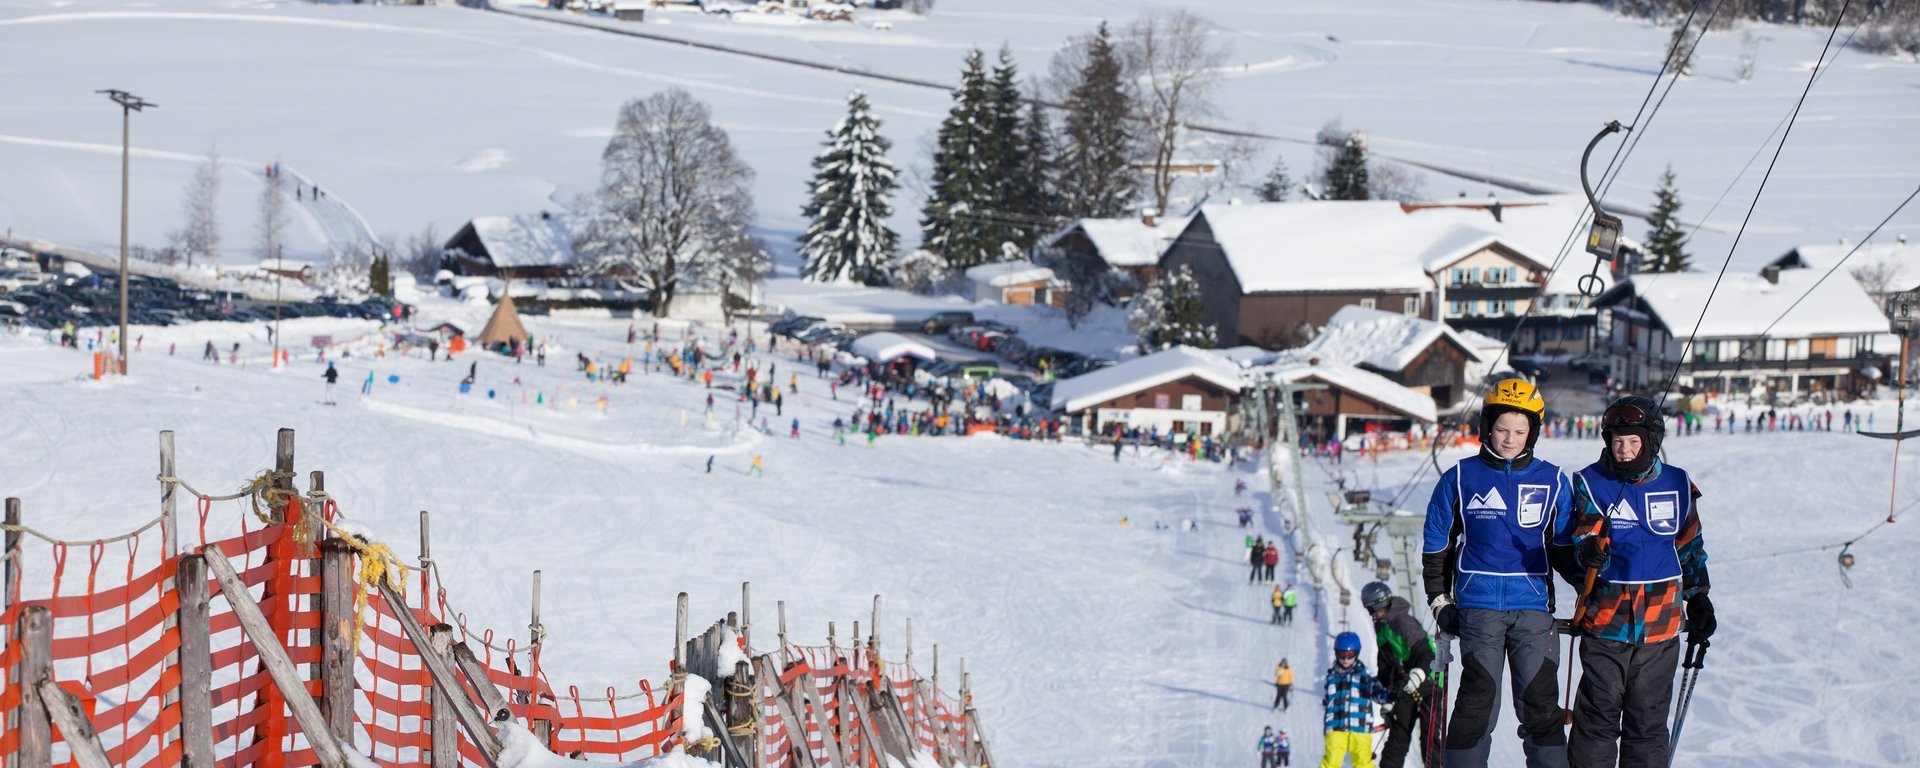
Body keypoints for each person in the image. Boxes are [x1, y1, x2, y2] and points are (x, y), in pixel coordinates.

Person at [1421, 378, 1579, 768]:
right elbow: (1436, 546)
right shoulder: (1459, 478)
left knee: (1541, 706)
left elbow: (1562, 547)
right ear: (1487, 426)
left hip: (1533, 610)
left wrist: (1588, 574)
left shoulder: (1553, 480)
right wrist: (1440, 601)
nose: (1510, 439)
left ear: (1533, 433)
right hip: (1478, 609)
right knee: (1477, 705)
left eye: (1520, 431)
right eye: (1503, 429)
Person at [1565, 396, 1714, 768]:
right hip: (1605, 623)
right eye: (1617, 441)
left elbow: (1690, 547)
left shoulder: (1679, 483)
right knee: (1597, 718)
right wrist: (1587, 552)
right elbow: (1584, 532)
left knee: (1646, 723)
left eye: (1633, 441)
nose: (1624, 450)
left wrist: (1699, 599)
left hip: (1661, 626)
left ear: (1651, 440)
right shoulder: (1591, 482)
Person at [1363, 582, 1438, 768]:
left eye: (1373, 609)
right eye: (1369, 610)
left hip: (1429, 684)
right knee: (1398, 736)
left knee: (1429, 738)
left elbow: (1427, 653)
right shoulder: (1381, 628)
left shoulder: (1402, 622)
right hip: (1406, 688)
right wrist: (1390, 697)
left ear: (1382, 604)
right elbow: (1387, 669)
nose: (1372, 614)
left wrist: (1418, 674)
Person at [1322, 631, 1388, 768]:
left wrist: (1385, 697)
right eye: (1342, 655)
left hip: (1360, 725)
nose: (1346, 659)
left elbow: (1375, 690)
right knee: (1331, 760)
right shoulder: (1331, 676)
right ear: (1336, 653)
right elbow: (1328, 700)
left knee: (1363, 761)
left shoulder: (1363, 675)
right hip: (1335, 726)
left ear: (1356, 654)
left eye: (1350, 655)